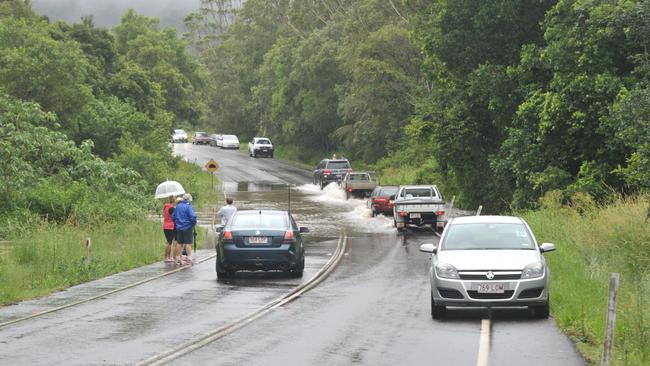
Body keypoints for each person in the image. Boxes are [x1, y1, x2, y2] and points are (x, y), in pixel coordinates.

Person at [172, 193, 197, 265]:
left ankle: (177, 259)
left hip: (179, 227)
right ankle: (189, 258)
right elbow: (192, 217)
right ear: (189, 200)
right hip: (188, 227)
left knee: (179, 243)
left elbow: (173, 216)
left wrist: (177, 223)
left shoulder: (178, 206)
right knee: (188, 243)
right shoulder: (188, 206)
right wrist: (193, 223)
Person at [162, 196, 176, 263]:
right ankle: (166, 257)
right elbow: (175, 217)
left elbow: (163, 215)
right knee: (169, 242)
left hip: (165, 225)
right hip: (170, 226)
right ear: (174, 200)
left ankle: (168, 257)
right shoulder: (172, 208)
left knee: (168, 241)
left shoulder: (165, 206)